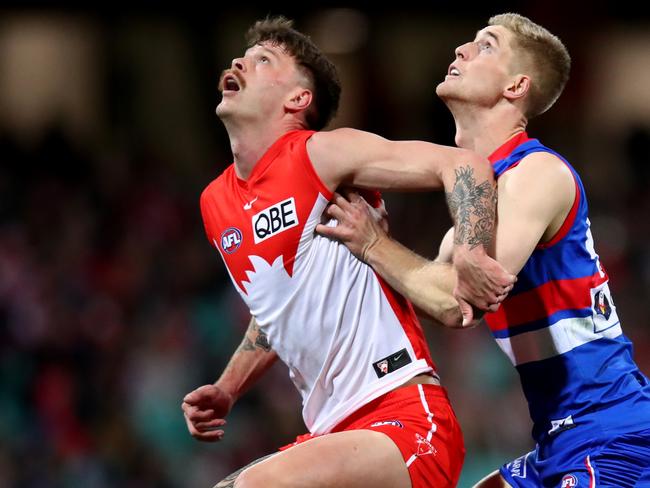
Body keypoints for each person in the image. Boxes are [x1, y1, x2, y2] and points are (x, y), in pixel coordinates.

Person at [318, 12, 650, 488]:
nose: (461, 50)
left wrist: (374, 243)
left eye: (486, 45)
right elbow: (439, 297)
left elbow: (457, 300)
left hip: (612, 434)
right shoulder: (471, 215)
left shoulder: (536, 173)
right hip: (560, 439)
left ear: (516, 86)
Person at [181, 16, 515, 488]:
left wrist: (470, 249)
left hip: (404, 420)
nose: (239, 61)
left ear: (298, 99)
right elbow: (279, 307)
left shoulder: (322, 155)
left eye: (262, 60)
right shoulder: (215, 203)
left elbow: (464, 165)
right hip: (332, 433)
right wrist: (228, 387)